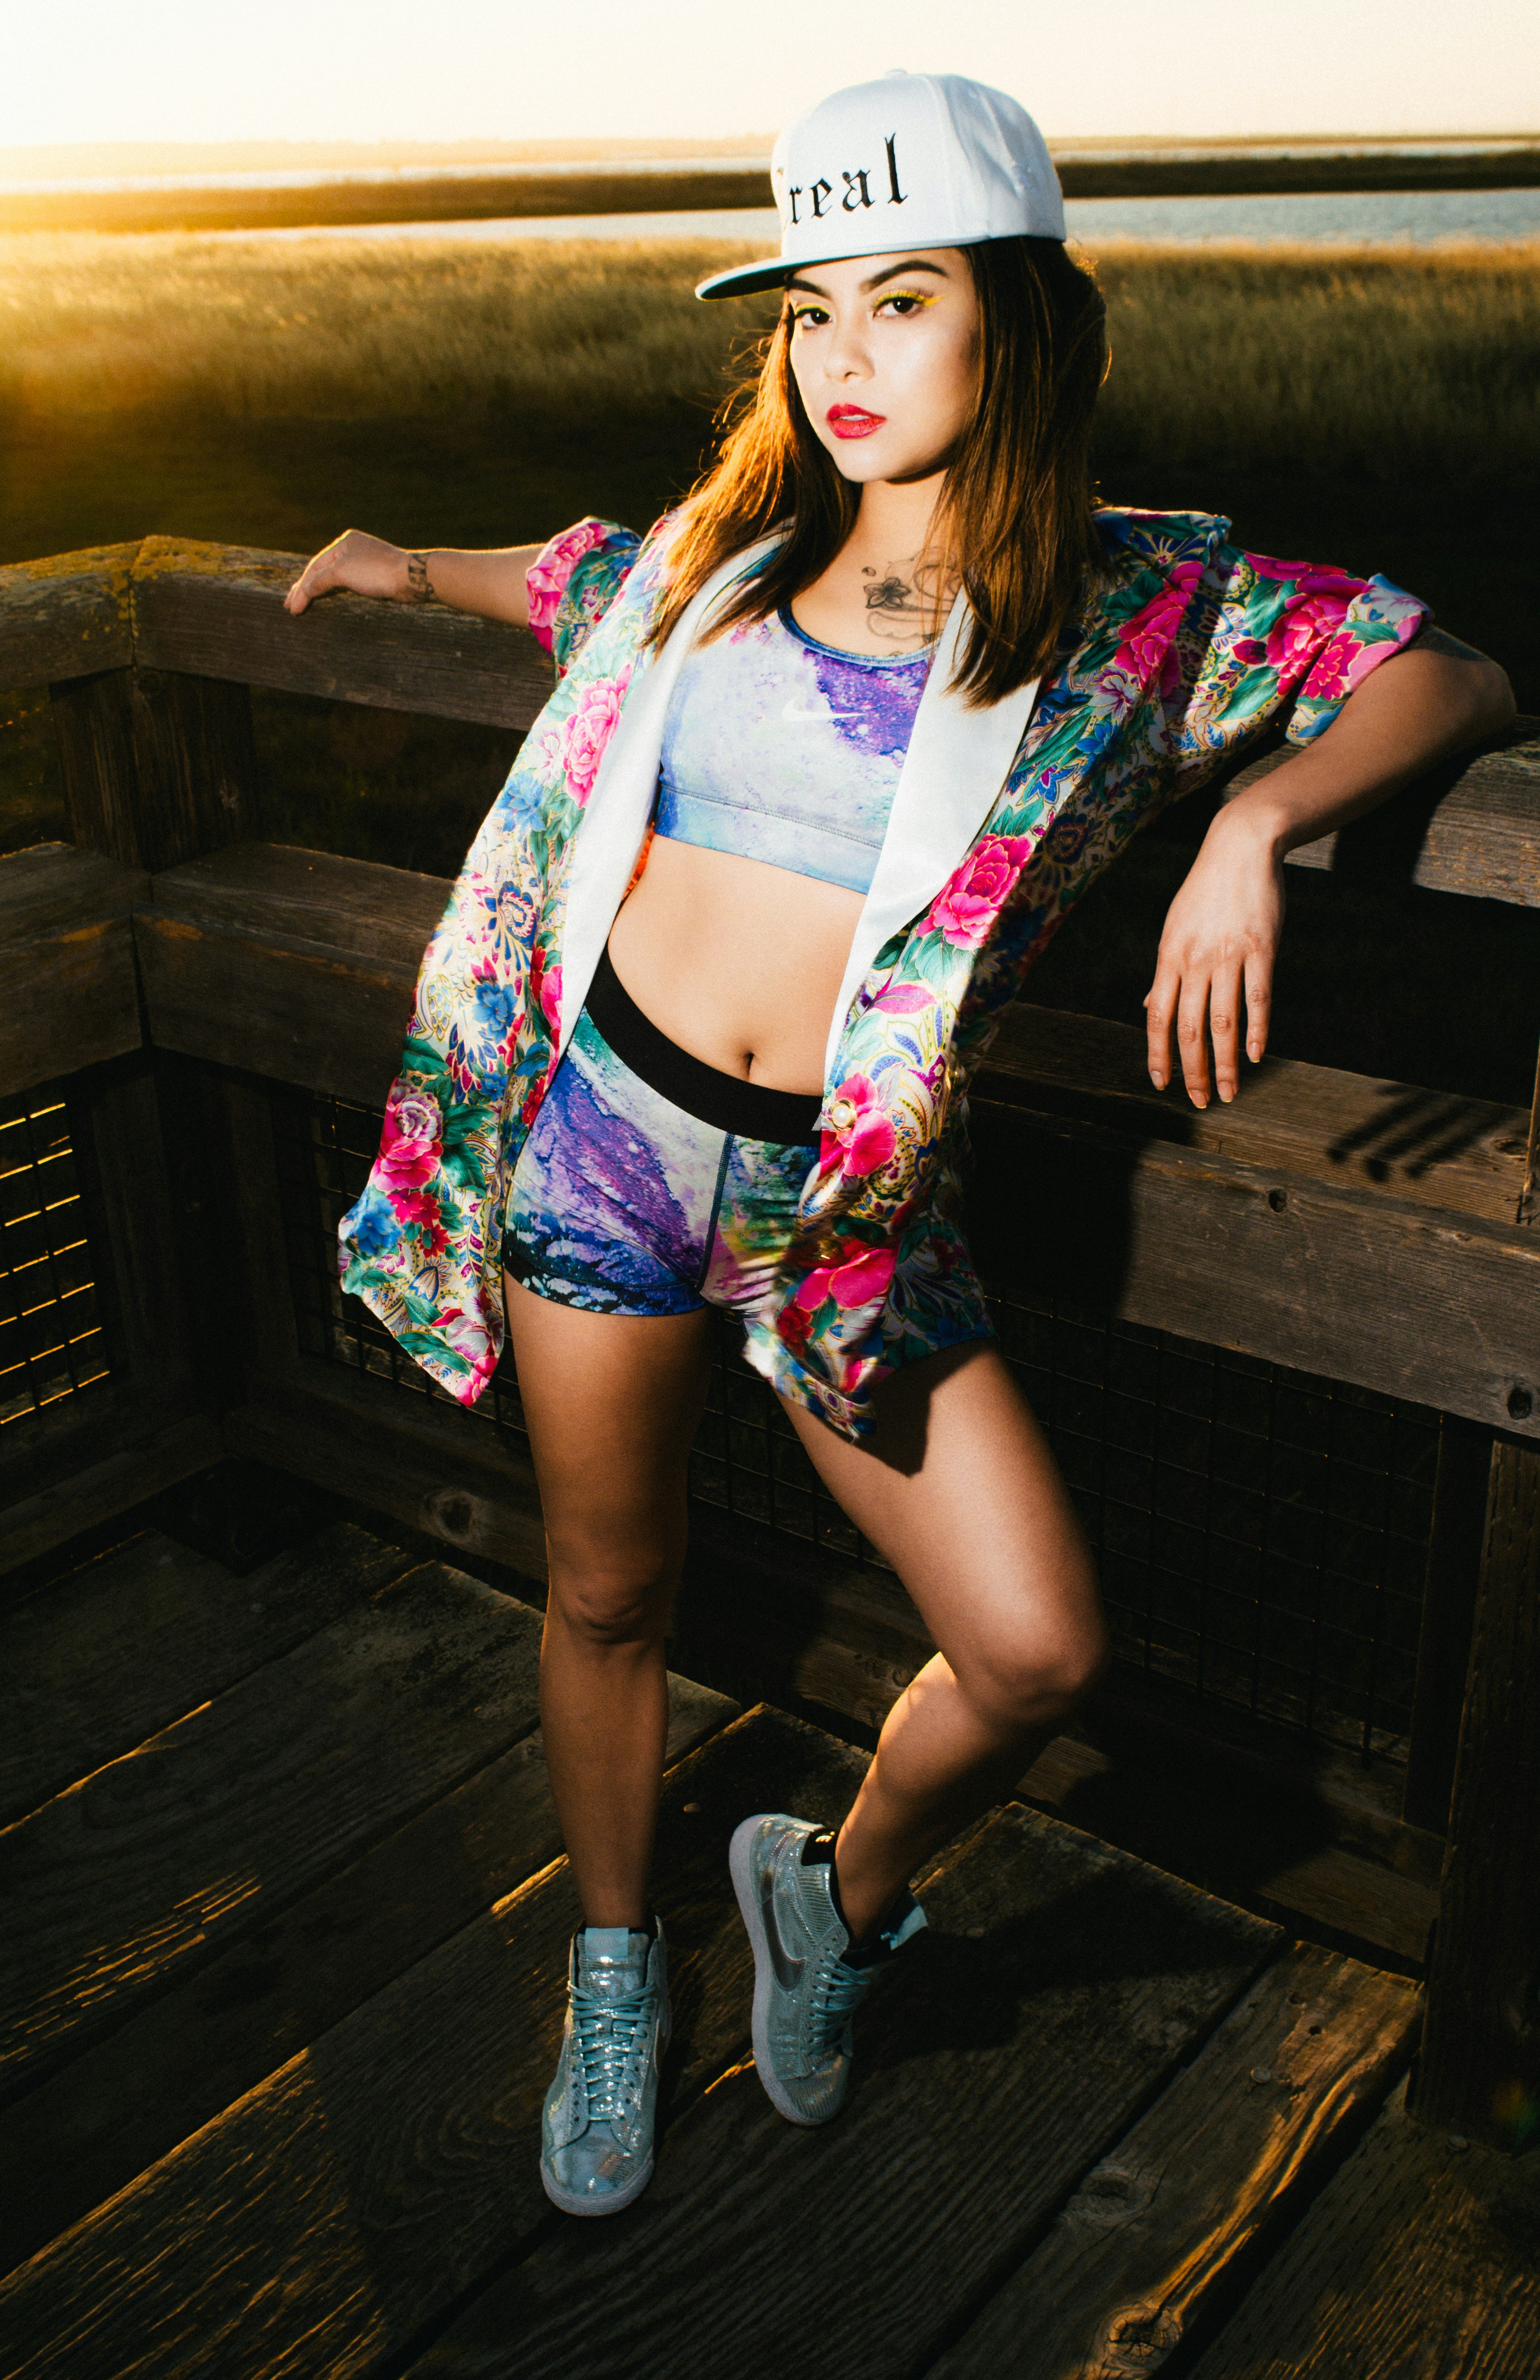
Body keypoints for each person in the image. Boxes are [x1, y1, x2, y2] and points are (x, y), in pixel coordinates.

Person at [286, 72, 1514, 2217]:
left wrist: (1257, 818)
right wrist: (403, 556)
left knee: (1038, 1646)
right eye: (811, 313)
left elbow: (1449, 665)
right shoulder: (715, 557)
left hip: (838, 1210)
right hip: (601, 1146)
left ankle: (830, 1901)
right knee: (609, 1580)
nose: (843, 358)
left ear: (1020, 323)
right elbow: (563, 577)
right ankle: (606, 1957)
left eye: (905, 298)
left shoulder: (1139, 620)